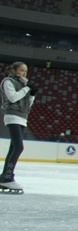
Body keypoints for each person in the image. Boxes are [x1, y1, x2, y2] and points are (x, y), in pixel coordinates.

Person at [0, 61, 37, 193]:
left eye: (26, 71)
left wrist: (32, 94)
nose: (24, 73)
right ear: (14, 70)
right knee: (19, 147)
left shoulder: (23, 84)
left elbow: (27, 104)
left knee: (13, 148)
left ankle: (4, 176)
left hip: (22, 117)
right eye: (21, 70)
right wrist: (27, 89)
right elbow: (13, 98)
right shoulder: (7, 81)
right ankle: (8, 177)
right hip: (12, 115)